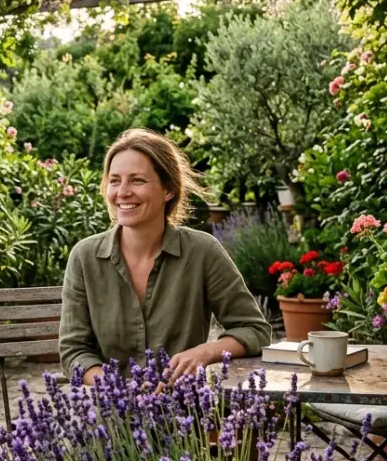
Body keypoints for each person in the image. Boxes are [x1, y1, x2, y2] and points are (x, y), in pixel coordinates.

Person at [58, 128, 271, 385]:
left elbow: (255, 330)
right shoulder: (85, 257)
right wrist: (118, 390)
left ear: (168, 189)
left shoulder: (202, 251)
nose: (122, 192)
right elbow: (74, 352)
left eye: (137, 180)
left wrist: (204, 353)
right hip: (113, 419)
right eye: (115, 180)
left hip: (185, 416)